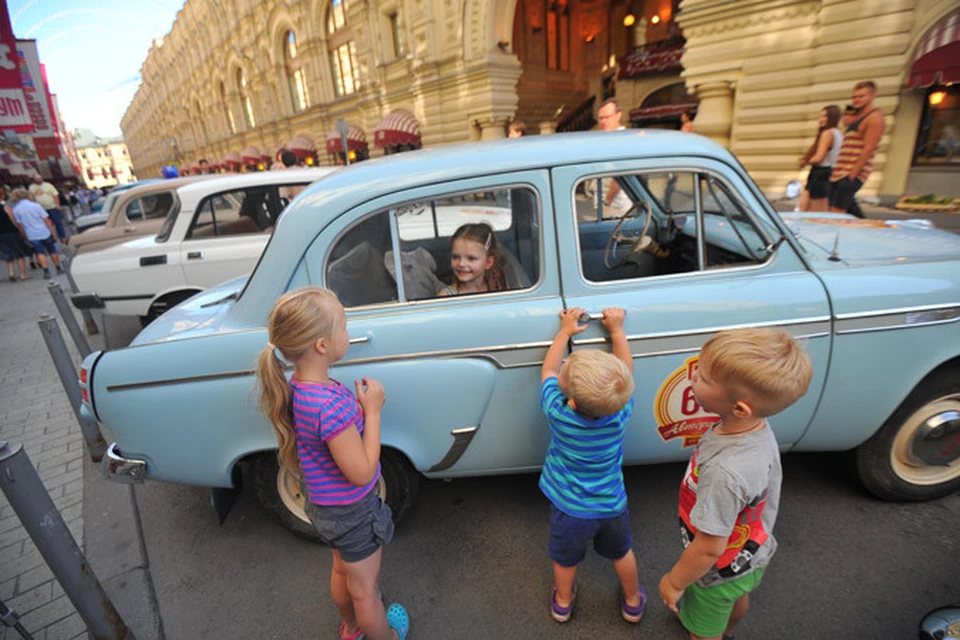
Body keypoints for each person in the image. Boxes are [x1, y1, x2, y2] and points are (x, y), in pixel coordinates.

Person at [256, 287, 409, 640]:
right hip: (352, 511)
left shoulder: (300, 387)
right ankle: (382, 634)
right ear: (322, 345)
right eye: (343, 323)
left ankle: (351, 628)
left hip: (325, 508)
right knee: (366, 591)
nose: (347, 331)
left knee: (342, 571)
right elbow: (362, 472)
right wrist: (372, 411)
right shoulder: (329, 406)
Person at [659, 328, 813, 640]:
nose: (693, 379)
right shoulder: (755, 428)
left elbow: (708, 549)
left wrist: (674, 582)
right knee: (735, 597)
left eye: (702, 378)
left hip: (716, 571)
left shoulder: (725, 473)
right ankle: (727, 627)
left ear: (740, 407)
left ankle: (712, 632)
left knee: (705, 624)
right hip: (751, 557)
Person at [539, 306, 645, 624]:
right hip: (612, 505)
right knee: (621, 552)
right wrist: (617, 331)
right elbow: (626, 369)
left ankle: (562, 601)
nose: (565, 364)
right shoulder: (620, 413)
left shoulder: (558, 414)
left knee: (565, 559)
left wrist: (564, 333)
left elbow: (547, 370)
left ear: (568, 398)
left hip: (569, 509)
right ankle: (632, 601)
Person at [828, 81, 884, 217]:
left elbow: (869, 148)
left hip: (852, 172)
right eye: (854, 97)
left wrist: (852, 174)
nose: (856, 100)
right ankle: (868, 230)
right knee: (847, 211)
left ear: (872, 96)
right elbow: (845, 121)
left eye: (861, 96)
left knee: (836, 213)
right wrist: (853, 107)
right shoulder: (856, 115)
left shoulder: (875, 118)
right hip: (839, 171)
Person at [437, 222, 507, 296]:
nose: (461, 264)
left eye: (471, 258)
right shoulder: (445, 296)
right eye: (456, 257)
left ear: (488, 262)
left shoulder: (497, 288)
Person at [9, 188, 64, 279]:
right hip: (44, 231)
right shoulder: (36, 206)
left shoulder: (16, 209)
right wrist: (53, 232)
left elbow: (20, 225)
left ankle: (46, 271)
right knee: (52, 250)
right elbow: (46, 220)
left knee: (40, 252)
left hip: (31, 234)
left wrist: (24, 235)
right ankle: (58, 268)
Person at [798, 105, 843, 212]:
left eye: (825, 116)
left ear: (832, 118)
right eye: (821, 116)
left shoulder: (827, 133)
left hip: (821, 173)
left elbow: (819, 157)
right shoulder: (839, 134)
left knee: (816, 211)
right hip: (829, 172)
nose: (821, 119)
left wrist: (805, 161)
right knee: (803, 205)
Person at [593, 99, 632, 216]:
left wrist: (607, 201)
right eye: (601, 118)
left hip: (615, 206)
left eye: (607, 117)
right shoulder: (608, 139)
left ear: (618, 116)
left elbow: (619, 176)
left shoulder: (622, 140)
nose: (603, 121)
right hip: (605, 202)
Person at [28, 174, 67, 244]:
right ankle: (52, 239)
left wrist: (57, 204)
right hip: (41, 209)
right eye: (36, 178)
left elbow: (55, 195)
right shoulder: (31, 187)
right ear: (34, 179)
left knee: (58, 224)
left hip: (52, 207)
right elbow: (31, 198)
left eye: (39, 178)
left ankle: (63, 239)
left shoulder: (48, 185)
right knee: (46, 225)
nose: (38, 180)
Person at [0, 187, 29, 281]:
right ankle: (22, 275)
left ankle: (11, 273)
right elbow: (12, 218)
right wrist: (18, 228)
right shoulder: (5, 206)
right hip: (11, 231)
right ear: (2, 195)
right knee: (19, 254)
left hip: (1, 234)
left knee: (8, 253)